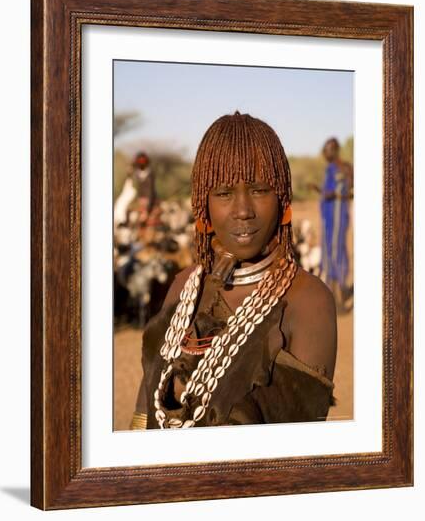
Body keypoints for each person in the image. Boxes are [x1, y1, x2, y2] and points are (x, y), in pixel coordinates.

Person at [130, 112, 337, 430]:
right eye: (224, 194)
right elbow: (144, 416)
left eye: (259, 190)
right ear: (204, 206)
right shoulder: (185, 287)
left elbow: (296, 458)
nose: (243, 211)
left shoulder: (308, 301)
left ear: (282, 199)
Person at [313, 138, 353, 310]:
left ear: (334, 150)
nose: (324, 153)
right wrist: (320, 191)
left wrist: (334, 195)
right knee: (330, 251)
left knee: (335, 252)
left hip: (337, 216)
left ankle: (338, 299)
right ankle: (337, 292)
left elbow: (349, 192)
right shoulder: (332, 169)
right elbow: (330, 192)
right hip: (329, 217)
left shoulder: (343, 168)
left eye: (326, 150)